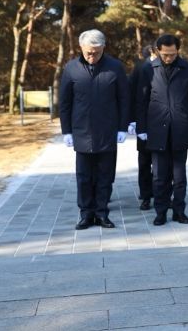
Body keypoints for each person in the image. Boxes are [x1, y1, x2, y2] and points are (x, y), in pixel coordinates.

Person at [59, 29, 129, 230]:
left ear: (103, 48)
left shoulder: (115, 67)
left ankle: (102, 213)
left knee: (105, 175)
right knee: (84, 176)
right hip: (81, 131)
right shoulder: (71, 68)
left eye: (96, 52)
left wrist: (122, 127)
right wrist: (66, 131)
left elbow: (124, 99)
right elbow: (65, 102)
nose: (92, 56)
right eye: (89, 52)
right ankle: (86, 214)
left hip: (107, 130)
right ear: (81, 48)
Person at [136, 34, 188, 226]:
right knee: (159, 176)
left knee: (179, 177)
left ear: (177, 51)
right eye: (165, 54)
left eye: (172, 54)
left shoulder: (187, 68)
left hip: (180, 128)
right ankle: (161, 212)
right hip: (157, 129)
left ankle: (179, 211)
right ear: (158, 51)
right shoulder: (148, 69)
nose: (168, 58)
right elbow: (141, 100)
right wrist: (141, 128)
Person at [128, 44, 156, 211]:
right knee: (145, 161)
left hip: (161, 121)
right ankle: (145, 195)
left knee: (162, 162)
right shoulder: (140, 68)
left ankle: (161, 193)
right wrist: (132, 120)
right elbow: (133, 94)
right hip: (144, 121)